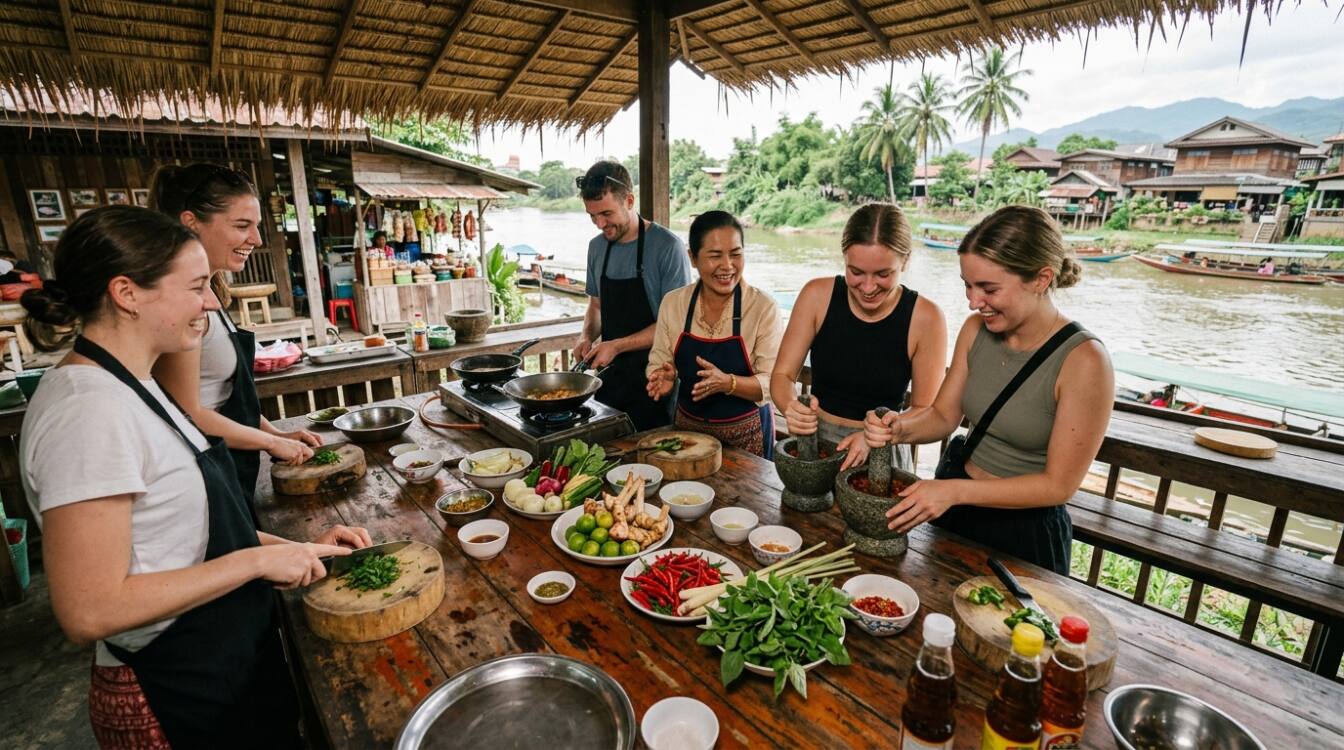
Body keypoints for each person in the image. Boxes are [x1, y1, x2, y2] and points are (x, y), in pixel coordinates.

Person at [19, 206, 369, 749]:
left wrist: (296, 550)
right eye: (197, 286)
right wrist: (254, 561)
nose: (210, 302)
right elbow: (89, 608)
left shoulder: (134, 382)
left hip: (225, 662)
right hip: (173, 691)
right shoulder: (87, 412)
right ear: (126, 292)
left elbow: (178, 538)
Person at [864, 205, 1114, 574]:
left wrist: (952, 492)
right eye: (967, 284)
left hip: (1024, 531)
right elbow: (943, 416)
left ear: (1041, 279)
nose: (973, 301)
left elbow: (1058, 486)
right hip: (959, 512)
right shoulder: (974, 329)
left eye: (988, 288)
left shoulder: (1085, 361)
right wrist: (898, 427)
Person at [149, 164, 321, 516]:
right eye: (242, 226)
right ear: (190, 222)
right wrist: (271, 441)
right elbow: (190, 412)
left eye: (255, 226)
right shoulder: (183, 305)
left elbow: (221, 395)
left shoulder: (210, 292)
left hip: (228, 463)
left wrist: (277, 436)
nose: (256, 239)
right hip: (203, 472)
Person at [770, 203, 947, 472]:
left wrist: (877, 435)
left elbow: (926, 411)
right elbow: (782, 376)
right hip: (816, 443)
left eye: (883, 274)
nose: (867, 287)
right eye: (856, 272)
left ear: (906, 260)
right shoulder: (816, 295)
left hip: (881, 448)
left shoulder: (927, 318)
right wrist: (791, 406)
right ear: (844, 258)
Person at [645, 211, 782, 457]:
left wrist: (728, 383)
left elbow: (774, 383)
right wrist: (662, 377)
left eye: (736, 254)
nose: (728, 265)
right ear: (693, 258)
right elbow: (659, 360)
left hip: (748, 437)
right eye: (715, 256)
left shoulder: (762, 307)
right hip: (689, 436)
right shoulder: (674, 303)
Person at [573, 161, 691, 430]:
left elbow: (674, 325)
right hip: (609, 378)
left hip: (656, 378)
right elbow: (596, 306)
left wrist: (616, 345)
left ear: (629, 200)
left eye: (606, 213)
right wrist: (586, 336)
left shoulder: (667, 247)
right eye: (592, 216)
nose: (600, 224)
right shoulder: (596, 247)